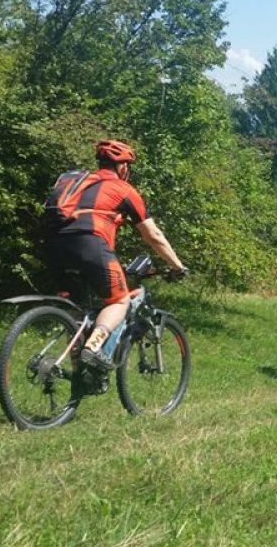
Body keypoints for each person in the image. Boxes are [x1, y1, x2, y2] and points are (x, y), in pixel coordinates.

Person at [46, 139, 187, 372]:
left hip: (54, 246)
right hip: (89, 244)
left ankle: (81, 375)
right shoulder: (123, 189)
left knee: (77, 315)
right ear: (122, 167)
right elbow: (153, 234)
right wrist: (177, 265)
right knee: (119, 300)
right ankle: (92, 349)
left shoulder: (80, 184)